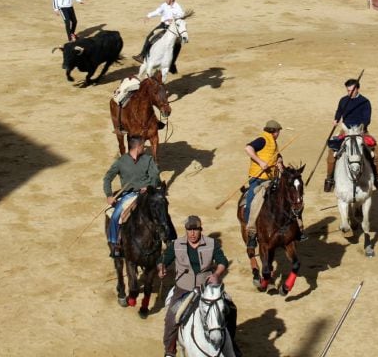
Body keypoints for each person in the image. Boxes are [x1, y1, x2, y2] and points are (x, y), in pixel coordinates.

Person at [159, 215, 236, 357]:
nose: (192, 233)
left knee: (230, 306)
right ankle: (170, 350)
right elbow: (163, 259)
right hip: (183, 290)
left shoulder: (211, 243)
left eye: (195, 230)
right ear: (186, 230)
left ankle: (232, 344)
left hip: (206, 288)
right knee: (171, 317)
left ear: (201, 230)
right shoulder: (176, 244)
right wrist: (161, 267)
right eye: (189, 230)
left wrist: (216, 274)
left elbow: (222, 261)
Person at [103, 135, 163, 258]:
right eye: (143, 146)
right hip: (129, 195)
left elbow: (156, 177)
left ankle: (167, 237)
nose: (144, 149)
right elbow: (107, 178)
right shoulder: (121, 162)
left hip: (147, 193)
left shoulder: (148, 160)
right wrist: (109, 195)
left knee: (162, 211)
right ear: (138, 147)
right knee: (116, 216)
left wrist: (149, 186)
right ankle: (116, 245)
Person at [324, 78, 378, 191]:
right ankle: (329, 179)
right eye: (348, 91)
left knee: (377, 155)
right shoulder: (343, 100)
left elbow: (367, 119)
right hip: (346, 131)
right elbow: (339, 111)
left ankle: (377, 178)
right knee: (331, 154)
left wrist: (360, 128)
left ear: (357, 89)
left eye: (351, 90)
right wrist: (336, 119)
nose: (349, 93)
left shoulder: (365, 102)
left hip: (361, 131)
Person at [243, 119, 284, 248]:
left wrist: (280, 162)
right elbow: (248, 148)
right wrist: (260, 162)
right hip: (258, 179)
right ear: (274, 131)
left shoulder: (274, 143)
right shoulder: (263, 140)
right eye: (278, 131)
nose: (279, 134)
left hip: (270, 179)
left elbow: (277, 156)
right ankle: (251, 234)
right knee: (251, 203)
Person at [140, 0, 185, 71]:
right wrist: (148, 16)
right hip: (163, 26)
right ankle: (142, 55)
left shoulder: (177, 7)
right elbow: (157, 12)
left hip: (172, 28)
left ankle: (172, 63)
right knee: (150, 37)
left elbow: (182, 15)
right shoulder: (164, 5)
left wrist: (174, 19)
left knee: (178, 45)